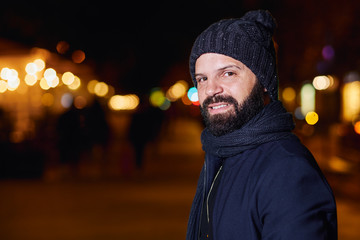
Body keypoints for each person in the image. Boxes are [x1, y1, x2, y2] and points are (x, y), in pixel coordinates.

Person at [186, 10, 337, 240]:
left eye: (227, 73)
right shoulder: (221, 154)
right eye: (202, 78)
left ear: (264, 81)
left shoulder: (287, 170)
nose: (211, 89)